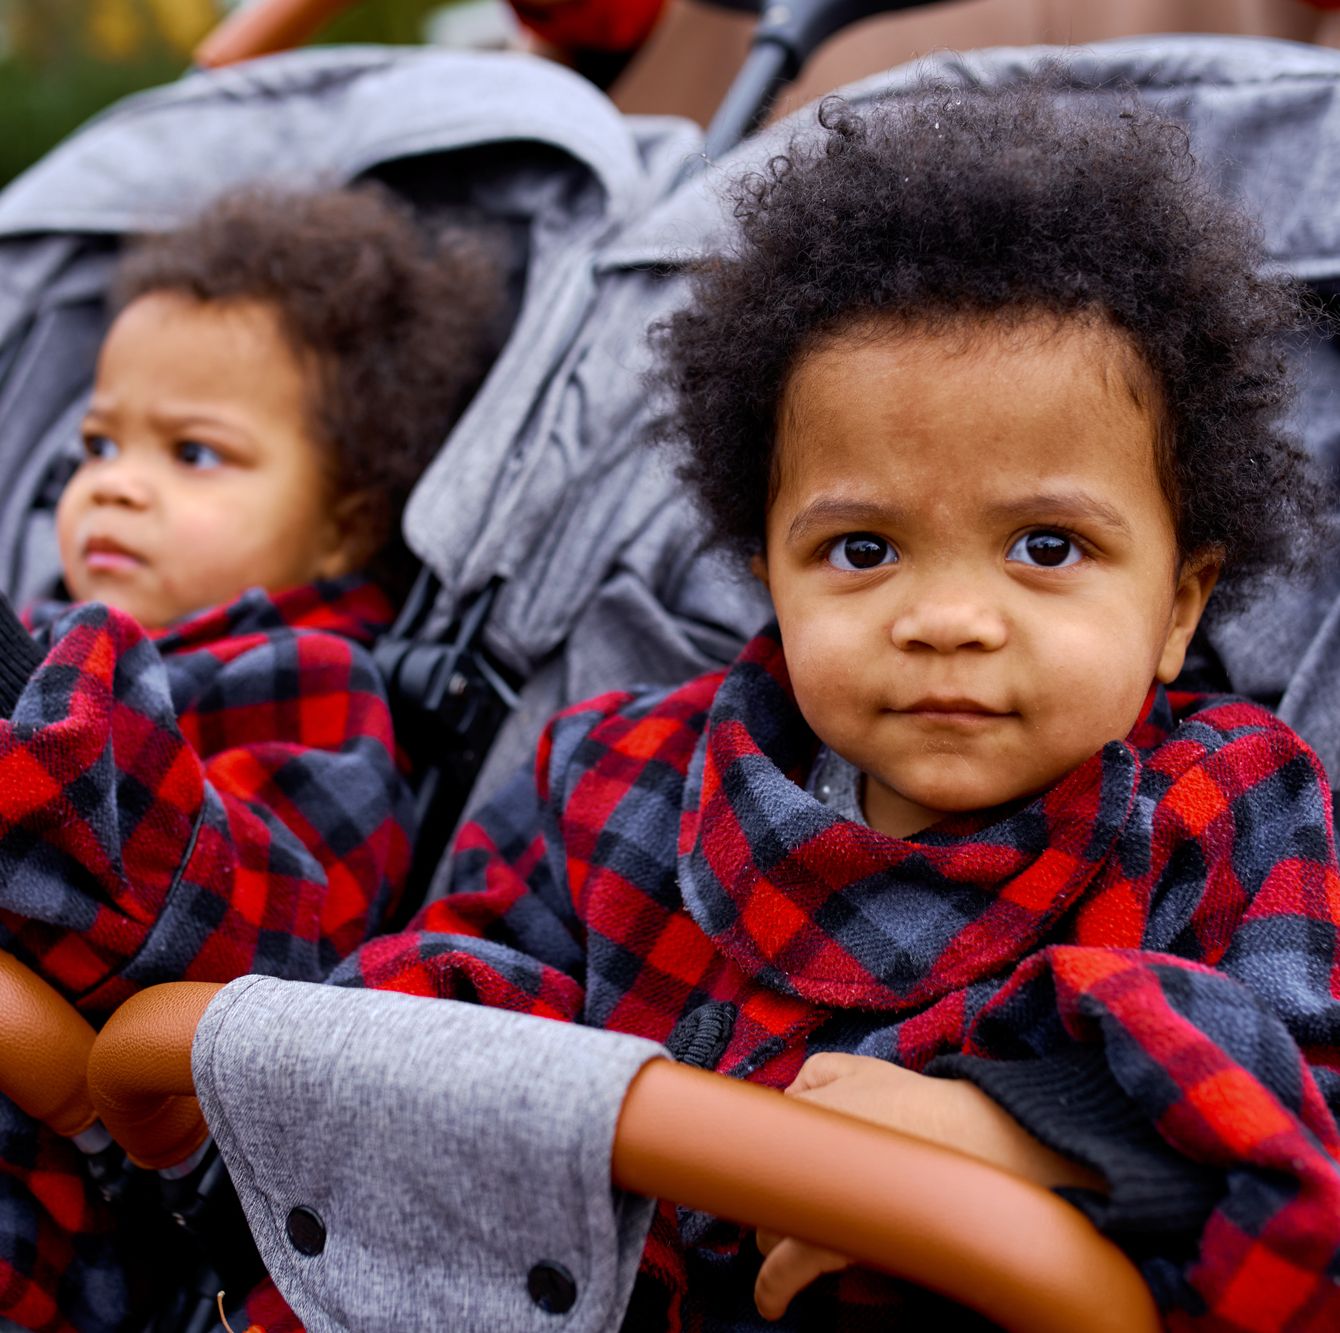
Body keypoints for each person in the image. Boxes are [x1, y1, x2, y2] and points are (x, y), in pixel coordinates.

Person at [236, 82, 1340, 1330]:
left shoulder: (1224, 807)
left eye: (1043, 546)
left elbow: (1311, 1127)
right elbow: (427, 1010)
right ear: (765, 569)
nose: (946, 618)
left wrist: (1048, 1136)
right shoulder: (619, 778)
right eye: (862, 551)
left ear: (1180, 602)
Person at [0, 184, 502, 1331]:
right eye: (98, 442)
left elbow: (239, 938)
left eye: (194, 452)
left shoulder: (307, 678)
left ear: (343, 522)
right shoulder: (47, 627)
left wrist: (15, 685)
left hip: (74, 1212)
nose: (114, 482)